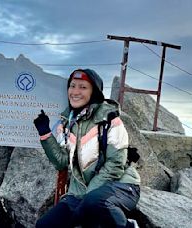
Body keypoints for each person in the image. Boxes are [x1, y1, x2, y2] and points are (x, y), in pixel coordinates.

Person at [34, 69, 141, 228]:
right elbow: (61, 162)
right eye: (72, 86)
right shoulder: (68, 122)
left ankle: (128, 226)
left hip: (121, 186)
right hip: (81, 193)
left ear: (94, 92)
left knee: (93, 205)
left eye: (83, 87)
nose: (75, 92)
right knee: (45, 225)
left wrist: (85, 199)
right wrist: (45, 134)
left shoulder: (109, 119)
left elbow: (115, 165)